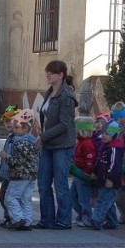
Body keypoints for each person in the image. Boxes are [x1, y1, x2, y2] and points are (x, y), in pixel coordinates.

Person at [36, 60, 78, 229]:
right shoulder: (49, 93)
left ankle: (64, 220)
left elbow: (65, 124)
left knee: (60, 184)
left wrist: (44, 136)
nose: (48, 75)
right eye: (47, 72)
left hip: (62, 145)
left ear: (60, 75)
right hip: (48, 143)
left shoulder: (67, 96)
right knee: (43, 184)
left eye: (51, 73)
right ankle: (46, 220)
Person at [1, 109, 39, 231]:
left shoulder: (20, 143)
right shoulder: (32, 141)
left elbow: (17, 161)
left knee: (11, 197)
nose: (14, 130)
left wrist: (6, 157)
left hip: (19, 175)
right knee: (25, 199)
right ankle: (27, 221)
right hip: (31, 175)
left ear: (25, 129)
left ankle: (18, 219)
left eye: (17, 128)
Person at [89, 121, 125, 230]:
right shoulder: (105, 146)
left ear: (114, 135)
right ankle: (112, 222)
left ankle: (96, 220)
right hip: (103, 179)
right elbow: (99, 161)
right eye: (103, 133)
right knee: (108, 202)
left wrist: (110, 178)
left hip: (111, 181)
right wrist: (95, 172)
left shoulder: (114, 148)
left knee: (102, 201)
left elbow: (115, 165)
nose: (104, 136)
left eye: (107, 134)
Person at [0, 105, 20, 227]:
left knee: (9, 197)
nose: (8, 124)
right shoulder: (10, 137)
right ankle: (8, 216)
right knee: (2, 196)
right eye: (6, 121)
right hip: (6, 173)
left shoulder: (18, 138)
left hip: (14, 173)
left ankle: (13, 217)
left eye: (11, 120)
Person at [72, 116, 98, 227]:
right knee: (72, 195)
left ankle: (87, 218)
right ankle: (81, 214)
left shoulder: (87, 143)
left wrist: (86, 174)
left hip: (83, 173)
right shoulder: (80, 141)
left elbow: (90, 160)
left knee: (84, 198)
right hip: (78, 172)